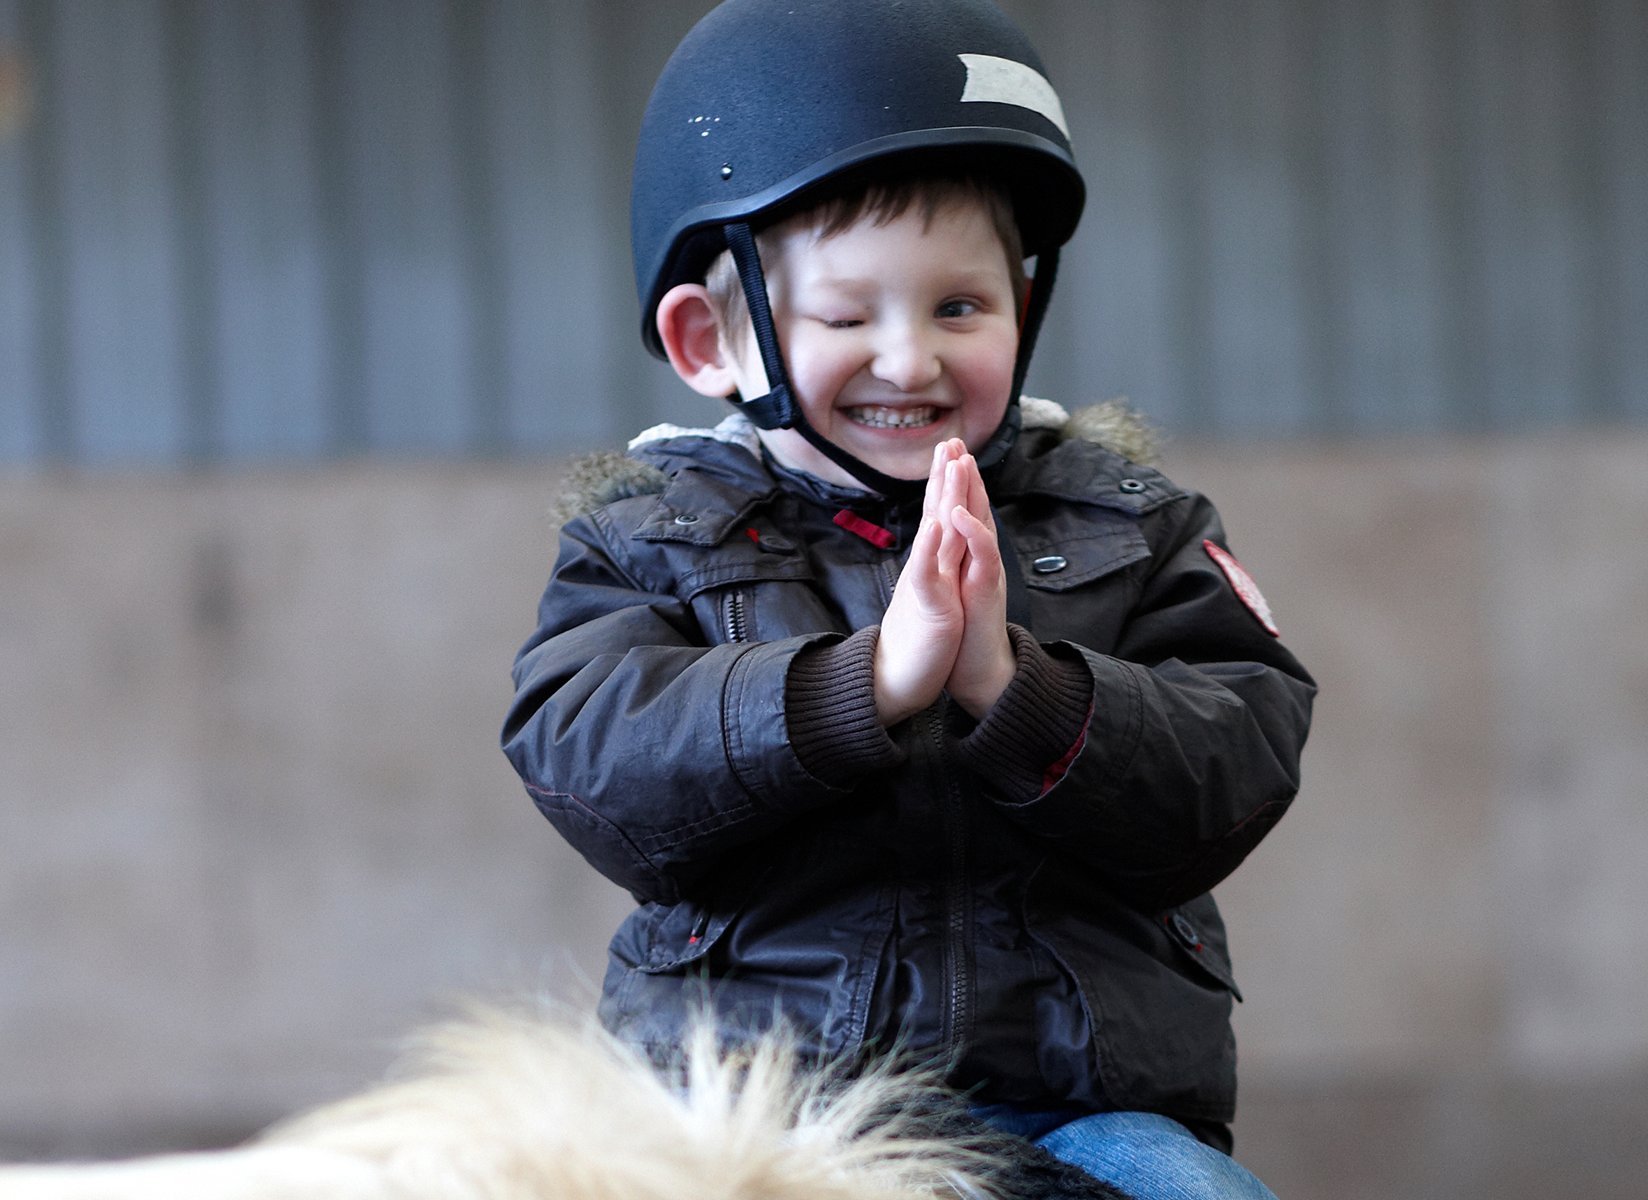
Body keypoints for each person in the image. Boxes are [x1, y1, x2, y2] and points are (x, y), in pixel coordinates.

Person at [502, 2, 1316, 1197]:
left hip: (1074, 1104)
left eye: (959, 308)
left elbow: (1240, 753)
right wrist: (859, 688)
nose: (910, 359)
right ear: (706, 340)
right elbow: (589, 758)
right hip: (758, 1113)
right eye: (845, 315)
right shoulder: (648, 538)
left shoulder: (1133, 522)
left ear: (1022, 314)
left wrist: (1012, 689)